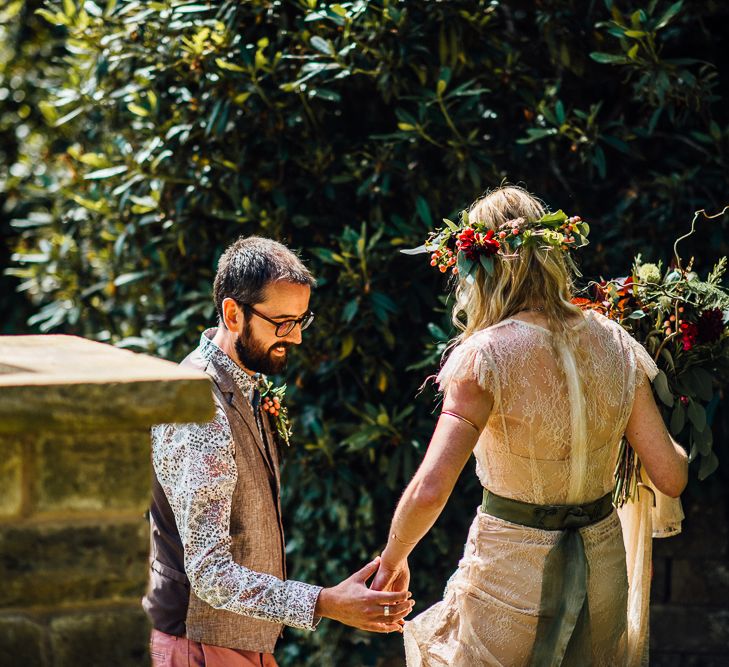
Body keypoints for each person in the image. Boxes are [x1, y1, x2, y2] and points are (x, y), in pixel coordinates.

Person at [371, 186, 688, 666]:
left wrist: (393, 560)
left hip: (511, 579)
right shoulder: (616, 343)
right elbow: (671, 475)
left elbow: (431, 488)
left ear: (481, 268)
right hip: (602, 575)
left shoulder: (485, 356)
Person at [143, 236, 414, 667]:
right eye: (283, 322)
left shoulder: (240, 383)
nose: (299, 337)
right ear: (233, 314)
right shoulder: (200, 411)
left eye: (302, 320)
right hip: (197, 647)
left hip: (237, 646)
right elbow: (210, 574)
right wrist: (325, 602)